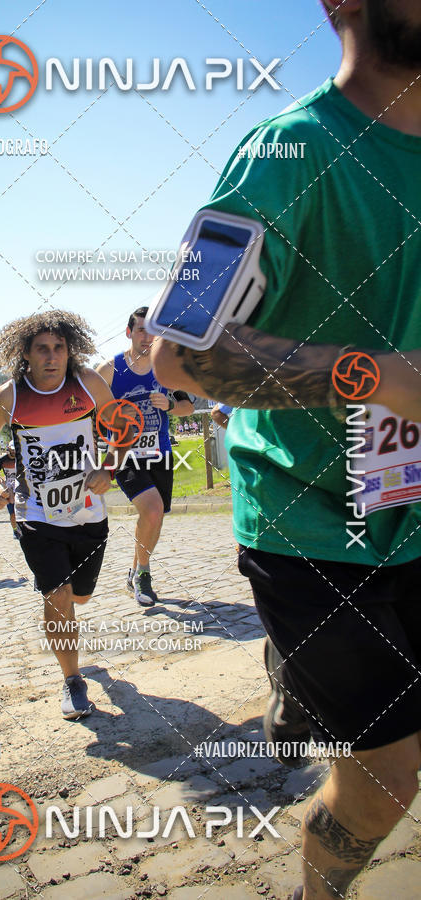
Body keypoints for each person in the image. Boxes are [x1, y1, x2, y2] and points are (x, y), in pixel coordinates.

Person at [151, 3, 421, 897]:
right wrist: (381, 376)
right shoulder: (288, 150)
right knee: (385, 787)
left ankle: (299, 687)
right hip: (315, 524)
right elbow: (180, 352)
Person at [0, 310, 126, 720]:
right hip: (36, 513)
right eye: (42, 348)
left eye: (59, 347)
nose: (52, 356)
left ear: (69, 350)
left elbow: (121, 426)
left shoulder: (89, 383)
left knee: (80, 595)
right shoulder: (9, 396)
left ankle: (73, 647)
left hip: (88, 513)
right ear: (25, 353)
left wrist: (108, 467)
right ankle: (72, 680)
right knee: (57, 596)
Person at [97, 307, 194, 606]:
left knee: (155, 518)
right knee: (151, 510)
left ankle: (135, 569)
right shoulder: (110, 370)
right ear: (129, 333)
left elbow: (188, 407)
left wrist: (168, 405)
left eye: (152, 330)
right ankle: (143, 575)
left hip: (160, 454)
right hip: (125, 455)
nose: (146, 336)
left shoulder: (165, 368)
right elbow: (91, 415)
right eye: (140, 329)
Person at [0, 440, 22, 539]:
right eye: (12, 450)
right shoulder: (2, 460)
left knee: (22, 511)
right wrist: (1, 482)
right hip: (9, 489)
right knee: (12, 513)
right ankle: (15, 530)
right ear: (8, 449)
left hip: (21, 487)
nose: (13, 452)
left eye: (15, 450)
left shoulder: (20, 458)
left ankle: (22, 528)